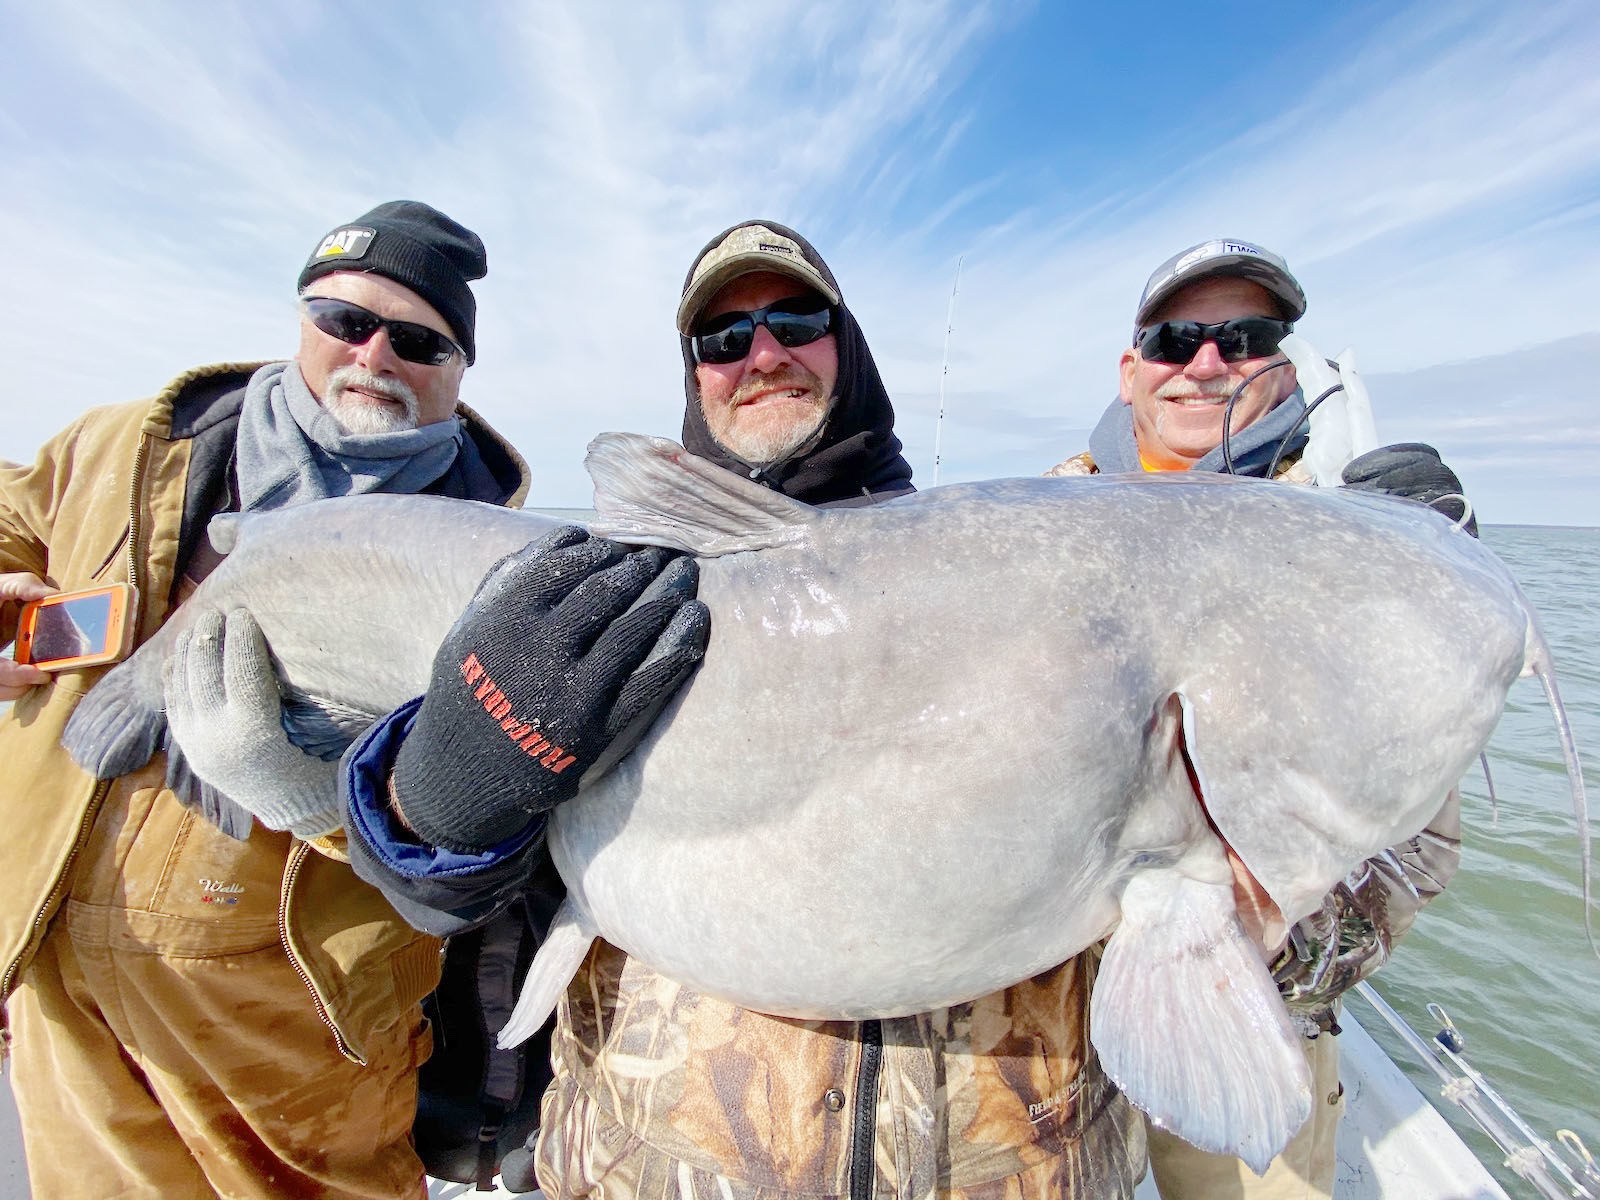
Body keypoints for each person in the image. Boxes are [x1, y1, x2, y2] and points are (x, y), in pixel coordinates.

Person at [331, 219, 1149, 1199]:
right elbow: (447, 900)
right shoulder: (614, 590)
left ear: (847, 348)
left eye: (795, 319)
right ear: (694, 376)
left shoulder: (1022, 578)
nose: (761, 354)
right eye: (721, 339)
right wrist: (439, 804)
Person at [0, 199, 700, 1199]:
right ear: (300, 320)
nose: (376, 353)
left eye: (420, 341)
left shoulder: (504, 578)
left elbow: (466, 843)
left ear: (460, 375)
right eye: (345, 320)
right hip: (60, 999)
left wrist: (300, 792)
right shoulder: (121, 452)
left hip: (303, 1052)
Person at [1046, 237, 1467, 1200]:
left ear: (1285, 365)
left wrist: (1431, 614)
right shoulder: (1028, 523)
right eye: (1175, 338)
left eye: (1246, 337)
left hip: (1252, 1018)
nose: (1206, 365)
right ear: (1130, 367)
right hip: (1051, 1040)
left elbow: (1417, 857)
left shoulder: (1348, 541)